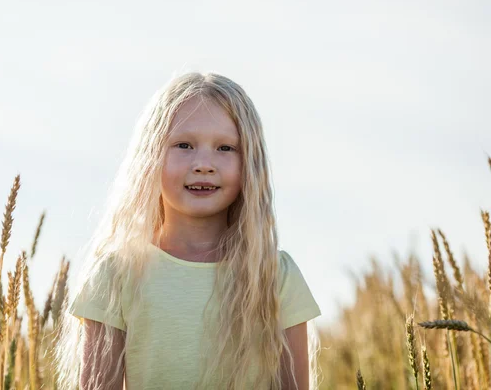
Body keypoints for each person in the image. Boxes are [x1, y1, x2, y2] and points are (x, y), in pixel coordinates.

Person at [54, 72, 321, 390]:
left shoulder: (275, 275)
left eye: (225, 148)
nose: (204, 163)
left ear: (250, 163)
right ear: (150, 157)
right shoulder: (117, 274)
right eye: (184, 145)